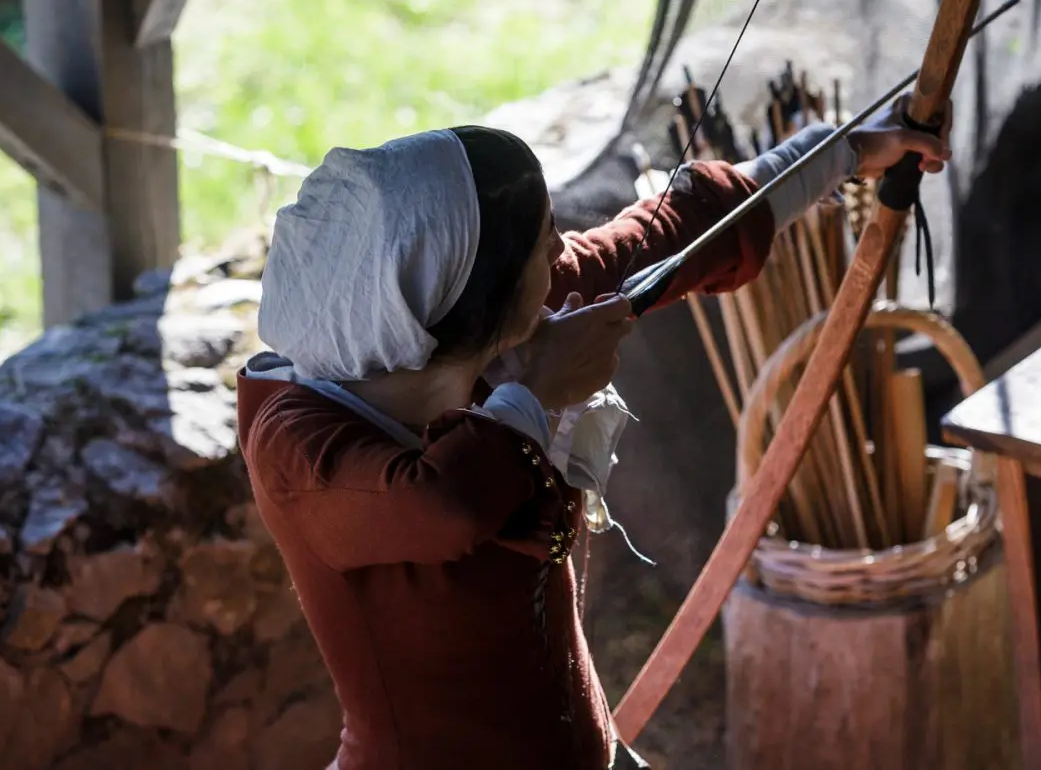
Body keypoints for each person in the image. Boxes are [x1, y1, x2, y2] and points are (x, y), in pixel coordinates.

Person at [236, 98, 950, 770]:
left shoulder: (475, 324)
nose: (562, 247)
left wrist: (845, 150)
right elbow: (443, 506)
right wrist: (536, 391)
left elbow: (672, 232)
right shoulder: (295, 441)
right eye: (543, 242)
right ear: (468, 295)